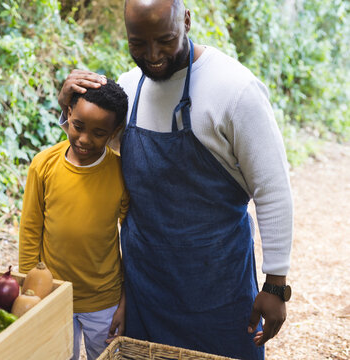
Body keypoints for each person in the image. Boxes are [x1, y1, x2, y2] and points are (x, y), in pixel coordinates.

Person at [56, 1, 293, 359]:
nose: (152, 55)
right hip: (145, 291)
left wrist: (275, 285)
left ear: (186, 21)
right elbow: (90, 159)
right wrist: (67, 110)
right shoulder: (128, 89)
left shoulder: (234, 89)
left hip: (218, 293)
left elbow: (272, 189)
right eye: (138, 43)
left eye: (165, 39)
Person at [19, 79, 129, 360]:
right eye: (78, 126)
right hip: (53, 294)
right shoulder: (43, 165)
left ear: (114, 132)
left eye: (99, 133)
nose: (84, 139)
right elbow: (31, 230)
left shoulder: (119, 171)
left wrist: (127, 298)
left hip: (103, 299)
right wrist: (30, 291)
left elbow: (132, 237)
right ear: (68, 113)